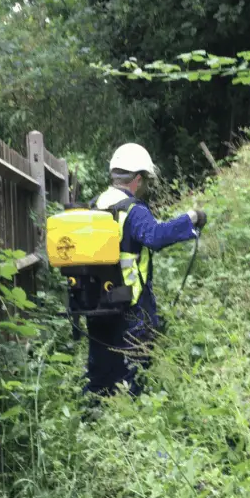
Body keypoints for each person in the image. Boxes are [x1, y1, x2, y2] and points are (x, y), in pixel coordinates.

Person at [83, 143, 207, 396]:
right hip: (131, 304)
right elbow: (155, 236)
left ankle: (93, 414)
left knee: (101, 369)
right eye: (145, 181)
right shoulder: (133, 209)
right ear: (137, 179)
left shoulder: (95, 205)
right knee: (134, 368)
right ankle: (130, 420)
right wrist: (191, 219)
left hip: (96, 301)